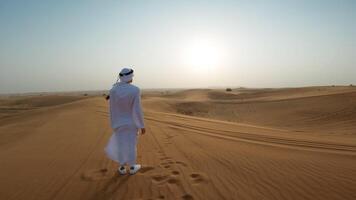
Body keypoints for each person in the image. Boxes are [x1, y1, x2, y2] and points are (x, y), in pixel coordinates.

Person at [105, 68, 146, 175]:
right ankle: (132, 167)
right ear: (129, 77)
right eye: (132, 76)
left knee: (121, 144)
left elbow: (112, 109)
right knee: (131, 144)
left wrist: (113, 123)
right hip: (131, 122)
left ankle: (122, 167)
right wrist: (141, 125)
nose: (132, 78)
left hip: (118, 122)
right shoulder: (135, 90)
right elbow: (137, 109)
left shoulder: (113, 90)